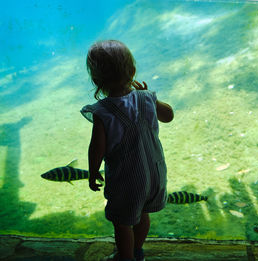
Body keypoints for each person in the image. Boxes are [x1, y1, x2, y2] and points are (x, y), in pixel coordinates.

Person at [81, 40, 174, 261]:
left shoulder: (103, 112)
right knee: (142, 215)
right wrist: (152, 97)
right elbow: (169, 115)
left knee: (123, 223)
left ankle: (126, 258)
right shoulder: (146, 98)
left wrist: (93, 171)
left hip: (127, 180)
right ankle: (137, 251)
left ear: (96, 80)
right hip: (153, 176)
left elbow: (97, 148)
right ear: (132, 71)